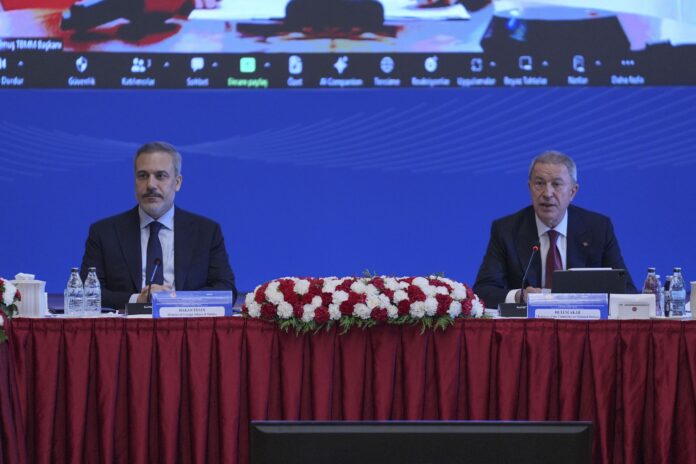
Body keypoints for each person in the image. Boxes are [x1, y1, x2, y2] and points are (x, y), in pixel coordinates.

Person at [80, 141, 236, 309]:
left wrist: (175, 300)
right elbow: (86, 293)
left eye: (160, 176)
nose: (150, 185)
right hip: (127, 324)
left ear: (177, 182)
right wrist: (137, 300)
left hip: (185, 324)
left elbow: (226, 290)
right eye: (143, 176)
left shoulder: (206, 232)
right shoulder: (104, 233)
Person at [473, 150, 636, 308]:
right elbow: (483, 291)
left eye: (556, 184)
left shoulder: (598, 228)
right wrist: (518, 296)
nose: (547, 193)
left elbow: (626, 290)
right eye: (539, 183)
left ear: (573, 192)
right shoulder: (506, 230)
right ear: (529, 188)